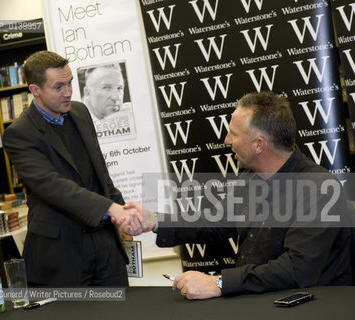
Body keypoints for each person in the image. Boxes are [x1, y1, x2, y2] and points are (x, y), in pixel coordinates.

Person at [116, 91, 353, 299]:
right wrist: (155, 220)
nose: (226, 140)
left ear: (259, 145)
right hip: (254, 300)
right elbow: (216, 220)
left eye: (234, 134)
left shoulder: (319, 189)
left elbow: (297, 269)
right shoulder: (250, 178)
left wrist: (218, 282)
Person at [2, 50, 141, 287]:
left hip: (105, 243)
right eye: (58, 87)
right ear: (35, 90)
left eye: (70, 83)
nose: (67, 92)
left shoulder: (80, 111)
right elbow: (53, 186)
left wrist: (123, 212)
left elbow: (100, 173)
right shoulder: (19, 134)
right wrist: (112, 209)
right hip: (62, 253)